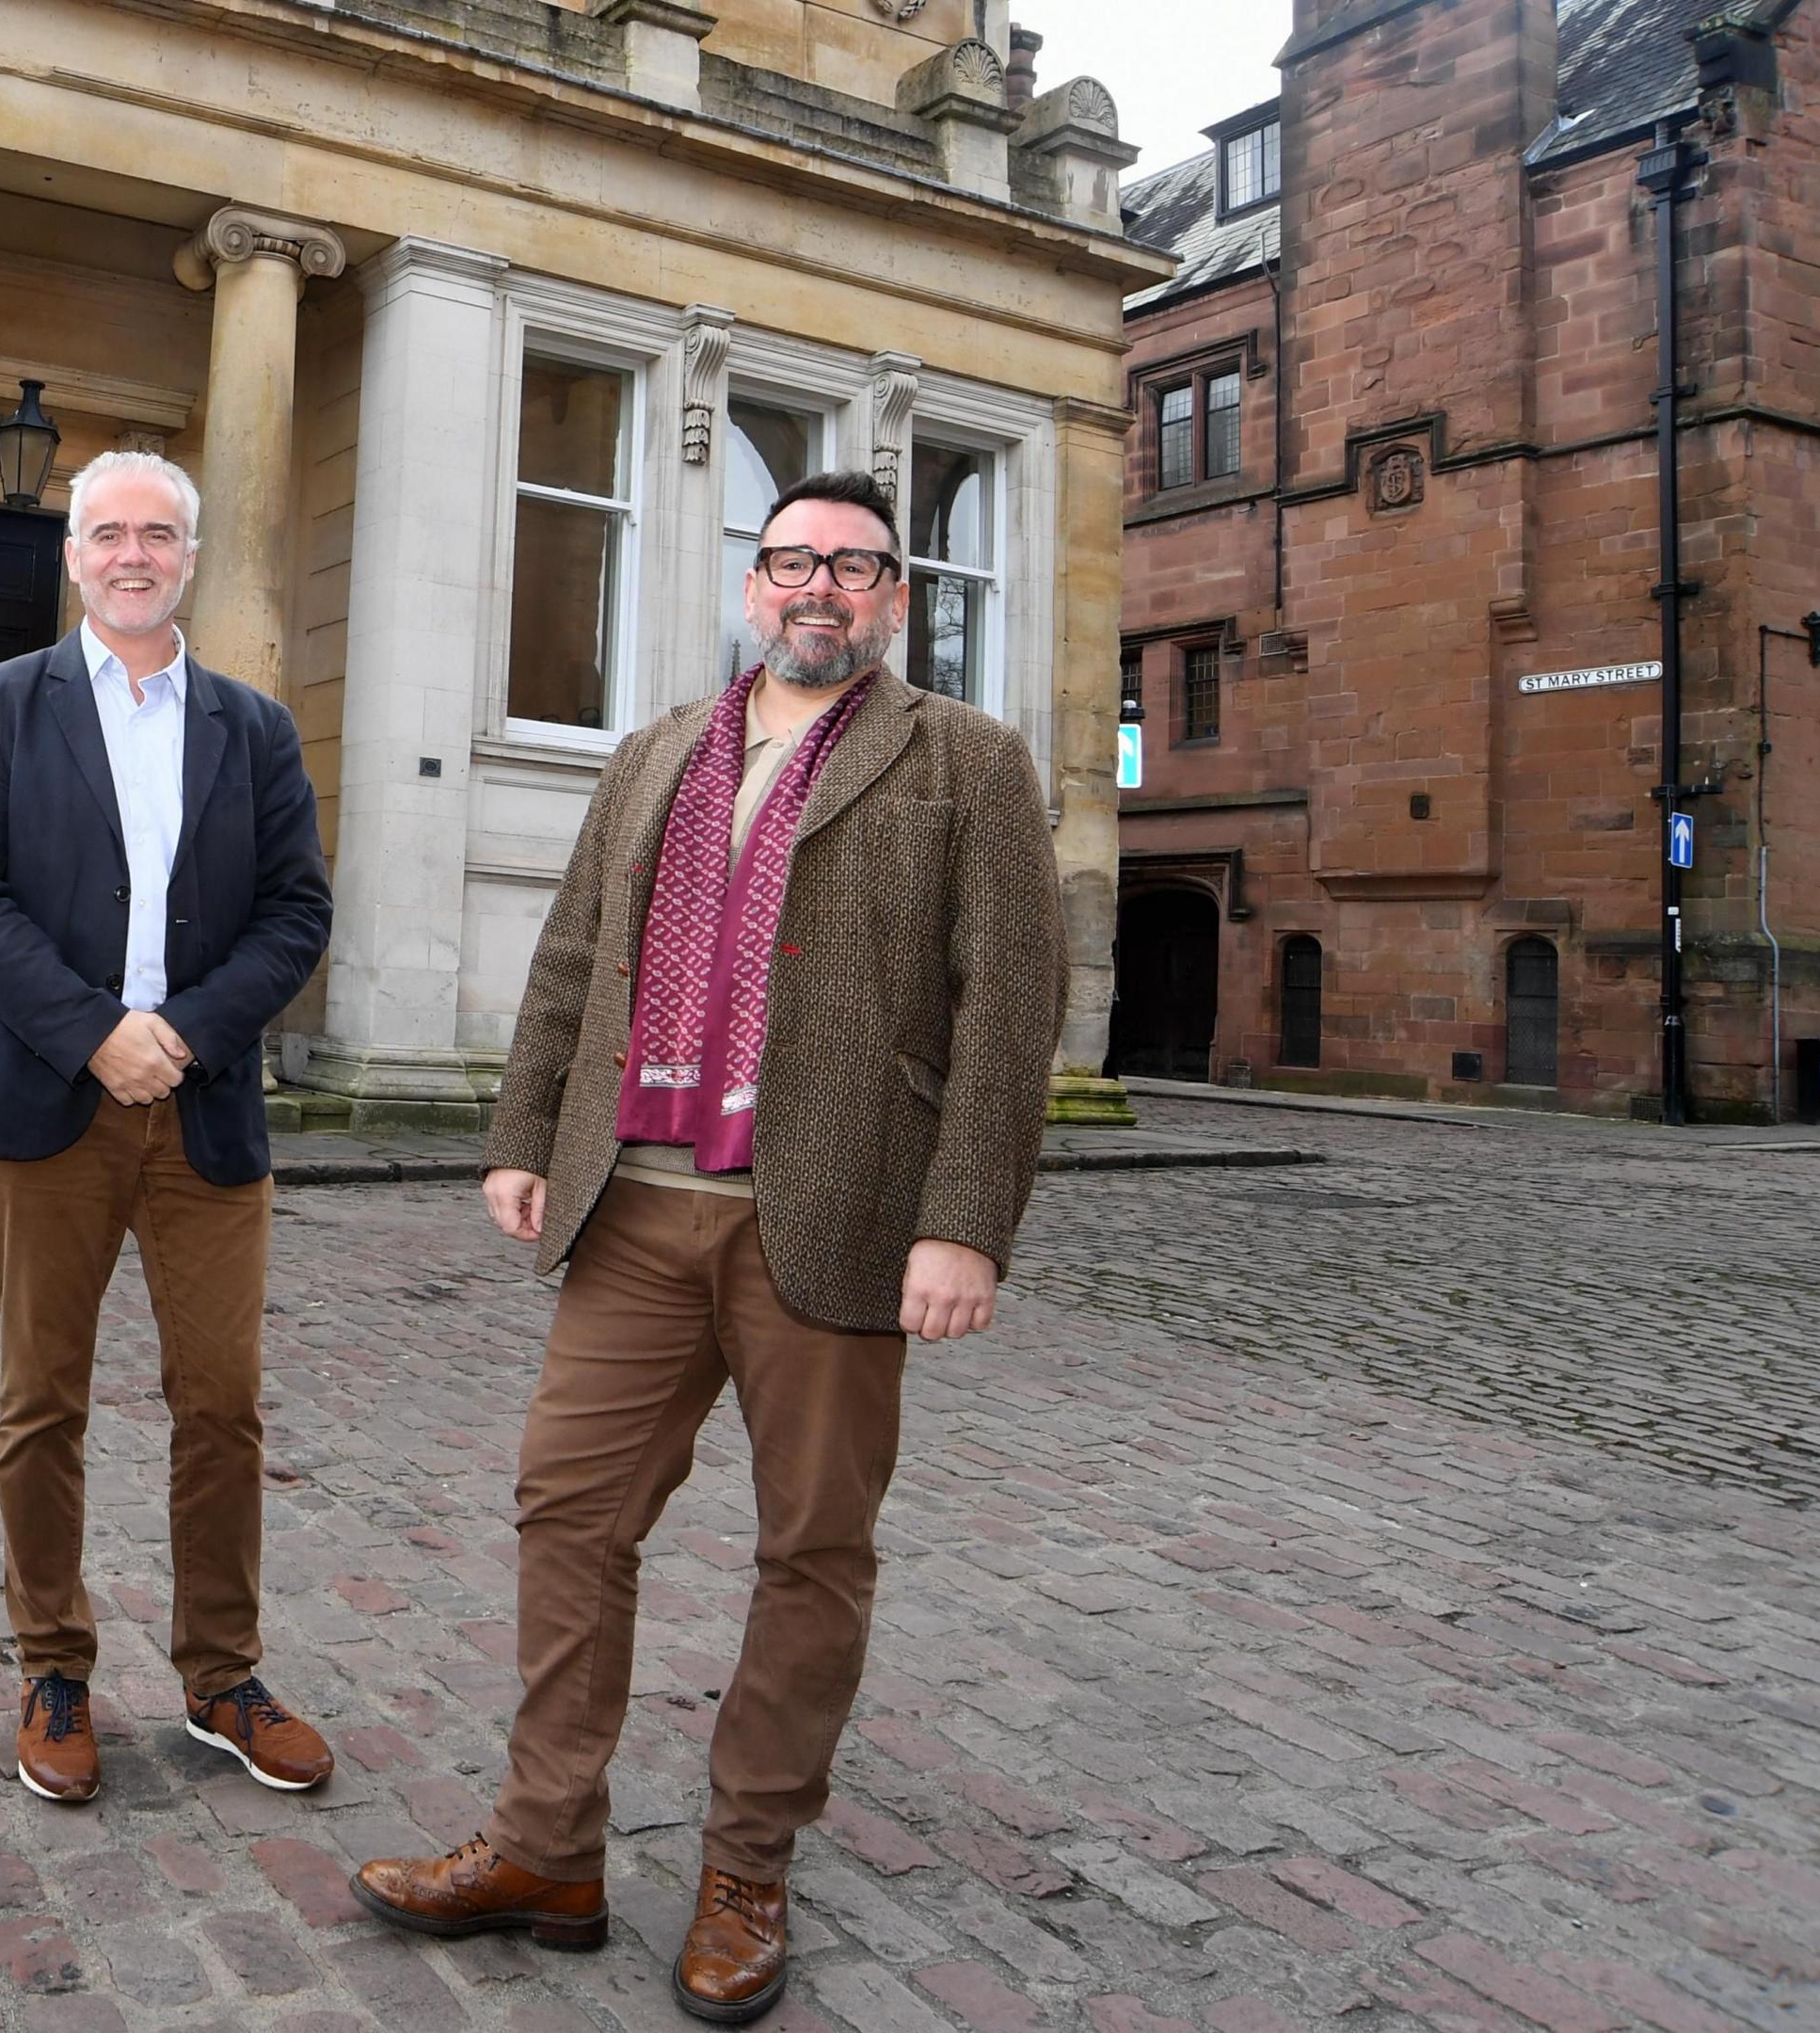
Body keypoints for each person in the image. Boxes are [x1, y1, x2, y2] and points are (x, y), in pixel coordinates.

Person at [348, 472, 1066, 2025]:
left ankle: (749, 1864)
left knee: (812, 1549)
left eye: (854, 568)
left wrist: (963, 1224)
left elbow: (1009, 1013)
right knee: (567, 1511)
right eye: (792, 560)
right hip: (634, 1207)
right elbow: (574, 959)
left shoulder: (967, 765)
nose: (819, 588)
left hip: (837, 1222)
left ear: (895, 595)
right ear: (755, 584)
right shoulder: (659, 751)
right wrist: (523, 1134)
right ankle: (548, 1847)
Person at [0, 449, 335, 1807]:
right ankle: (54, 1666)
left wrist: (191, 1032)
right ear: (75, 556)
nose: (134, 554)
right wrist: (95, 1028)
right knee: (43, 1401)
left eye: (159, 534)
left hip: (206, 1115)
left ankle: (221, 1674)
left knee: (219, 1404)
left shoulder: (255, 728)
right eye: (109, 533)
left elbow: (297, 915)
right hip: (50, 1104)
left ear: (191, 556)